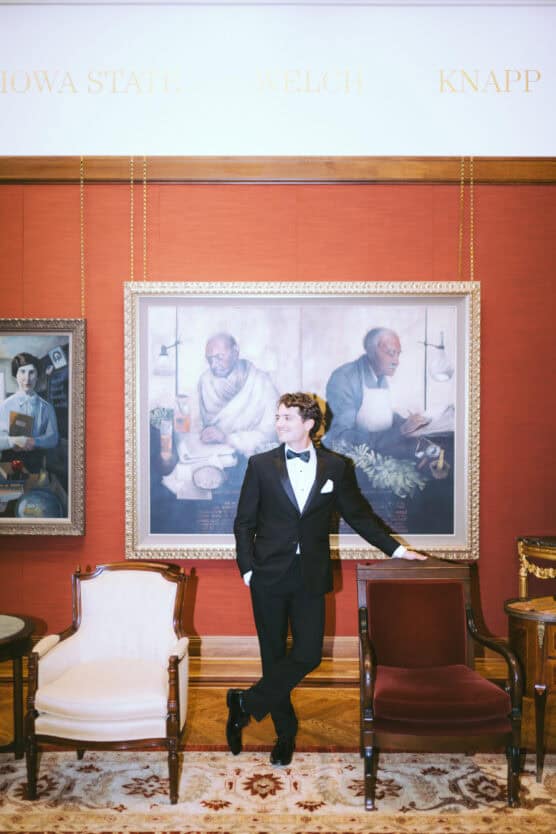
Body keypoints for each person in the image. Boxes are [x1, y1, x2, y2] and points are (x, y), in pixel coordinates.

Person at [227, 392, 426, 767]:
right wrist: (248, 568)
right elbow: (244, 523)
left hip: (310, 576)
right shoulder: (260, 465)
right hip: (268, 576)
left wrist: (397, 550)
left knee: (308, 655)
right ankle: (285, 734)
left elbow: (360, 516)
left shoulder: (337, 467)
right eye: (277, 417)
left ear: (309, 423)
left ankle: (244, 703)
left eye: (287, 417)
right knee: (273, 657)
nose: (279, 423)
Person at [325, 327, 429, 458]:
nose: (396, 362)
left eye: (398, 354)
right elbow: (341, 437)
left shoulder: (380, 375)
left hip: (377, 453)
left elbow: (380, 416)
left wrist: (407, 422)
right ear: (371, 351)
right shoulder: (345, 378)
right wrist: (400, 431)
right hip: (349, 460)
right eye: (391, 353)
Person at [198, 333, 279, 459]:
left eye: (219, 357)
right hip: (216, 456)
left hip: (255, 458)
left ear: (235, 352)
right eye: (210, 359)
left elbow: (272, 432)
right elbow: (203, 424)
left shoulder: (261, 382)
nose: (213, 365)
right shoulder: (205, 382)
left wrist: (228, 438)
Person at [0, 352, 59, 473]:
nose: (27, 378)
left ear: (37, 376)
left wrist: (35, 441)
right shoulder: (4, 406)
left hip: (36, 465)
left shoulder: (47, 407)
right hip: (9, 465)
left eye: (31, 372)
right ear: (15, 375)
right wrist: (12, 441)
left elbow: (54, 438)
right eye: (22, 372)